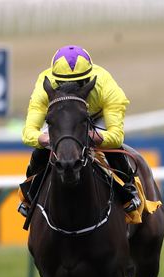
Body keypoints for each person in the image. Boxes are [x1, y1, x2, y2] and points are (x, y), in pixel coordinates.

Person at [18, 45, 140, 218]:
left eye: (78, 83)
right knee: (41, 150)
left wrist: (91, 136)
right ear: (55, 81)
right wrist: (46, 140)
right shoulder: (43, 86)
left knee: (113, 150)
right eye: (63, 83)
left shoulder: (107, 87)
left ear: (88, 80)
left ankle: (129, 188)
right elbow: (28, 132)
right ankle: (29, 194)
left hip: (95, 117)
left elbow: (116, 137)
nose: (71, 86)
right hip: (61, 116)